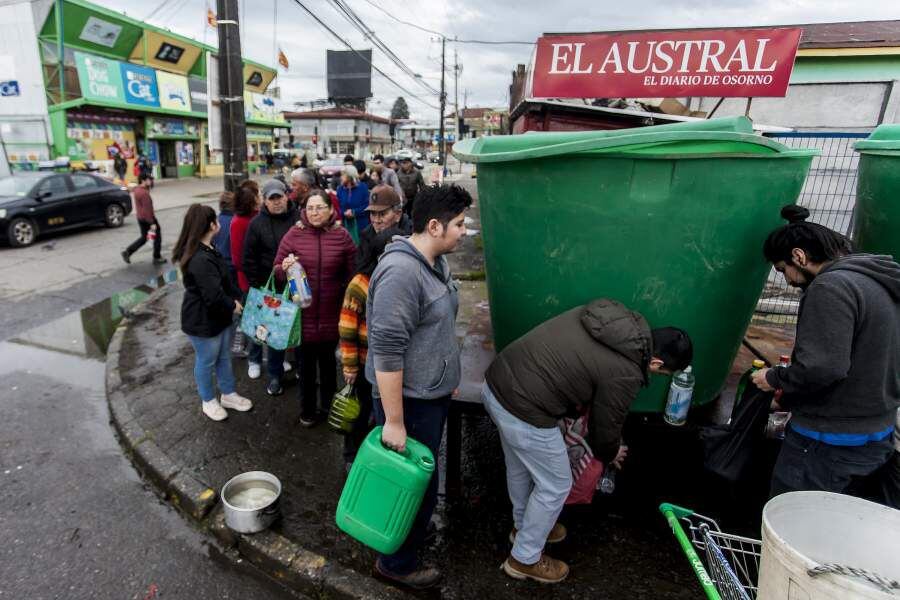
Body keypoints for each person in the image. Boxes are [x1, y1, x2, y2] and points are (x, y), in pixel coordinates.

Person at [483, 300, 693, 583]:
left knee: (521, 468)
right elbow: (604, 429)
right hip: (526, 409)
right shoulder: (627, 370)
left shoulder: (612, 317)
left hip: (498, 384)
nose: (655, 375)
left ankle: (525, 529)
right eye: (661, 373)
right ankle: (524, 558)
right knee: (556, 485)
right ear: (655, 362)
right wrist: (612, 452)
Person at [752, 205, 900, 499]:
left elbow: (823, 368)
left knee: (796, 521)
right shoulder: (878, 280)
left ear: (799, 256)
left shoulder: (830, 287)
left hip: (827, 441)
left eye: (783, 270)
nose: (788, 281)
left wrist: (775, 378)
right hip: (877, 432)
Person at [365, 184, 472, 588]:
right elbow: (387, 353)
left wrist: (446, 378)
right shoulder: (400, 274)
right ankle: (396, 565)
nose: (465, 232)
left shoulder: (434, 261)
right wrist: (394, 421)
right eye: (459, 225)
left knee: (422, 483)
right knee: (412, 487)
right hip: (407, 403)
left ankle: (406, 535)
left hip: (430, 394)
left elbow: (433, 332)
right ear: (433, 225)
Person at [275, 190, 356, 426]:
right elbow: (277, 269)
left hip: (332, 316)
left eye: (320, 207)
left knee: (330, 368)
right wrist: (285, 267)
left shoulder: (342, 236)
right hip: (303, 317)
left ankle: (328, 409)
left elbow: (353, 274)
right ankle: (307, 411)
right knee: (306, 370)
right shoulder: (294, 234)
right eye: (310, 208)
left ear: (331, 209)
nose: (314, 212)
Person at [172, 204, 253, 421]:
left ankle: (228, 394)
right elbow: (213, 296)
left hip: (219, 318)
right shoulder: (199, 258)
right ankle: (208, 400)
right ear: (210, 225)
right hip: (202, 321)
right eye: (216, 220)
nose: (219, 223)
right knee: (206, 361)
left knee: (223, 357)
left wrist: (237, 298)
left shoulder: (208, 248)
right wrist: (233, 306)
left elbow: (225, 282)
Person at [339, 230, 394, 469]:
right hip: (362, 363)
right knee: (357, 412)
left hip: (386, 365)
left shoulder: (396, 280)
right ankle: (351, 455)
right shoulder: (360, 283)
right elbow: (347, 327)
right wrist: (349, 365)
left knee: (379, 410)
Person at [242, 180, 299, 395]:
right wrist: (259, 288)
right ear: (264, 201)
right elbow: (248, 259)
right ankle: (275, 376)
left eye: (279, 197)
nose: (276, 202)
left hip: (297, 287)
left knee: (299, 331)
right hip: (271, 290)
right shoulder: (256, 224)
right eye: (271, 198)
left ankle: (302, 370)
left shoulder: (298, 219)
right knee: (274, 336)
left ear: (287, 196)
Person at [229, 182, 261, 377]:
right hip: (249, 281)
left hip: (262, 278)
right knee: (253, 321)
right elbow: (238, 259)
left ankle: (275, 359)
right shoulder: (239, 223)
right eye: (257, 197)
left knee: (269, 320)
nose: (260, 199)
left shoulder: (258, 217)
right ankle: (254, 359)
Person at [356, 184, 412, 267]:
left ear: (398, 214)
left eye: (382, 214)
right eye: (373, 213)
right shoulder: (366, 236)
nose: (376, 220)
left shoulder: (411, 235)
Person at [121, 174, 165, 265]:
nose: (151, 181)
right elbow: (147, 209)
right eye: (149, 180)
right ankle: (157, 257)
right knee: (158, 237)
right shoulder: (144, 193)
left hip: (140, 218)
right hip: (148, 218)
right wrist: (152, 223)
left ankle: (128, 252)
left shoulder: (137, 190)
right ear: (143, 181)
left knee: (144, 238)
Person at [337, 165, 371, 238]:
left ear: (350, 176)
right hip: (346, 225)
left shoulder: (363, 187)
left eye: (343, 175)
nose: (341, 177)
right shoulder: (340, 189)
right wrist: (344, 212)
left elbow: (367, 206)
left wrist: (354, 211)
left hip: (361, 224)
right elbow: (338, 206)